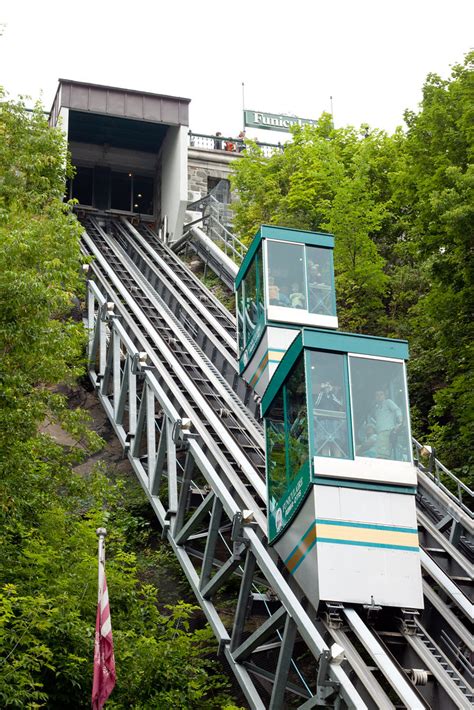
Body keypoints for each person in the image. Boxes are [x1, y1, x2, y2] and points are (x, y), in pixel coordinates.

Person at [371, 390, 402, 459]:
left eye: (381, 394)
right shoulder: (376, 408)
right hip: (380, 432)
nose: (379, 397)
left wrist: (400, 421)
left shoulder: (388, 402)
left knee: (383, 454)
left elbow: (397, 410)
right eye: (377, 395)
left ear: (384, 396)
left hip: (387, 430)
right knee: (379, 452)